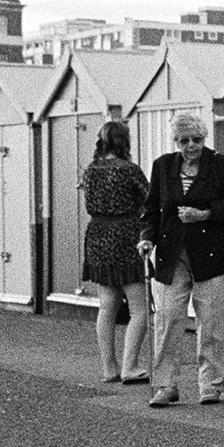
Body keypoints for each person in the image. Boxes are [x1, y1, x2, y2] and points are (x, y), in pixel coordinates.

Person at [137, 113, 224, 407]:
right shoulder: (163, 166)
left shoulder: (223, 166)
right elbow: (151, 209)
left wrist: (206, 214)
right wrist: (146, 236)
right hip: (171, 255)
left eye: (197, 140)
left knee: (211, 322)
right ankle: (164, 385)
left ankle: (211, 384)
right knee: (167, 319)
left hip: (212, 255)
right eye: (184, 140)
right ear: (176, 142)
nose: (191, 146)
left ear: (205, 139)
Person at [81, 119, 151, 386]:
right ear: (125, 141)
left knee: (107, 306)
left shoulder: (90, 170)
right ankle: (130, 366)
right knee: (139, 308)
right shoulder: (129, 170)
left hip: (97, 235)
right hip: (126, 235)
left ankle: (109, 367)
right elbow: (149, 198)